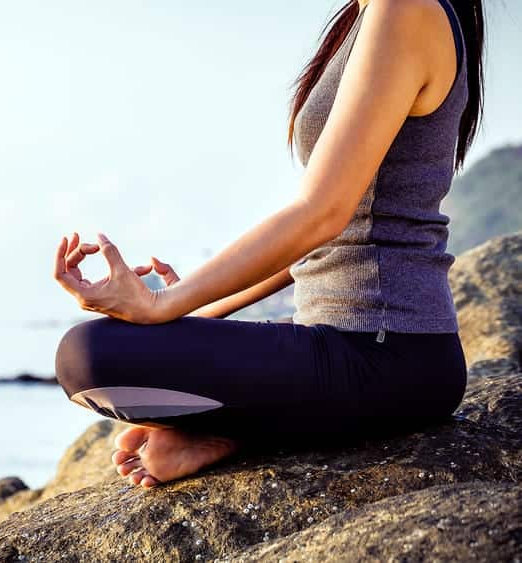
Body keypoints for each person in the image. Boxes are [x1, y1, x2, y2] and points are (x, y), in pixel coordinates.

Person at [52, 0, 485, 489]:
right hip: (349, 343)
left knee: (85, 354)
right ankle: (231, 431)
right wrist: (192, 311)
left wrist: (161, 303)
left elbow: (321, 214)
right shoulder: (364, 18)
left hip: (391, 353)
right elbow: (327, 232)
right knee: (102, 352)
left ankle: (234, 429)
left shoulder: (404, 9)